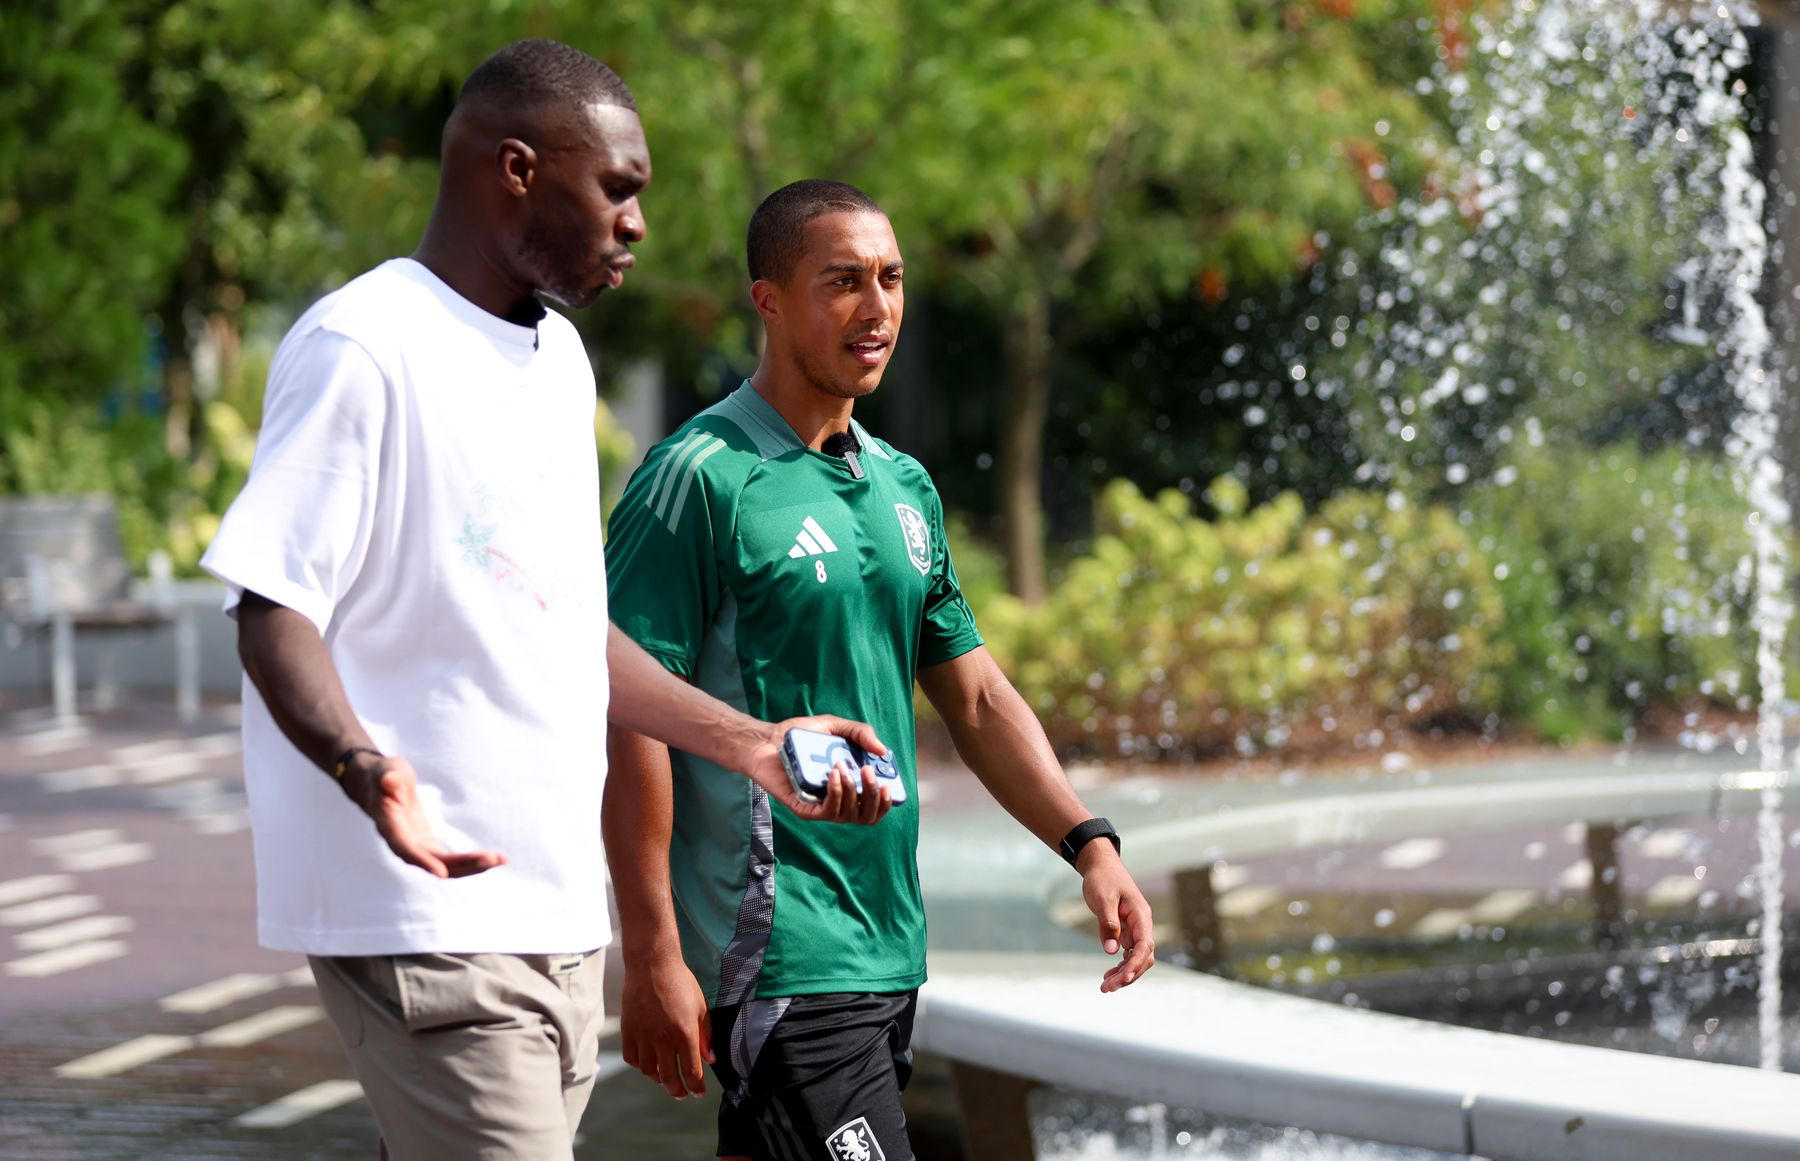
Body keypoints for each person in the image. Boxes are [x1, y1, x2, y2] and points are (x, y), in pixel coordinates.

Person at [200, 46, 889, 1161]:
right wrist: (363, 768)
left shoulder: (557, 360)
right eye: (618, 188)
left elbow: (567, 626)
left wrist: (754, 745)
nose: (638, 223)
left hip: (554, 922)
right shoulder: (364, 347)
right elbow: (272, 604)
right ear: (516, 170)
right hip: (428, 914)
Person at [603, 179, 1157, 1161]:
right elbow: (628, 708)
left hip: (888, 944)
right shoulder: (698, 475)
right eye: (843, 282)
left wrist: (1089, 844)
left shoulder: (903, 485)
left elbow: (978, 695)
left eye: (892, 279)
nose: (878, 308)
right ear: (768, 299)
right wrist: (651, 955)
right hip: (778, 954)